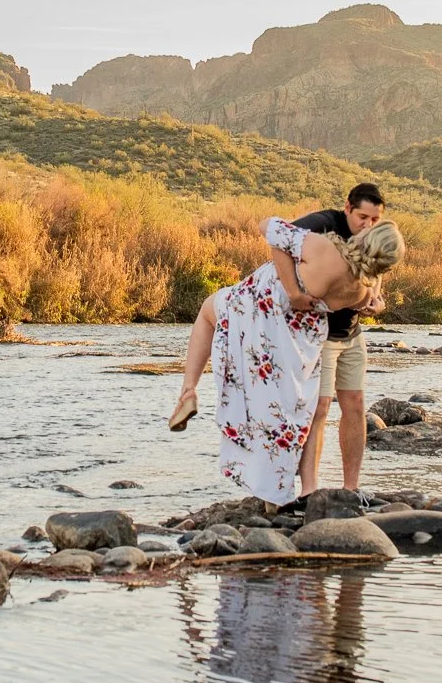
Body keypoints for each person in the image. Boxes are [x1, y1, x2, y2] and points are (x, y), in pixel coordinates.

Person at [167, 215, 404, 507]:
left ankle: (188, 392)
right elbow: (363, 302)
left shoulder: (323, 249)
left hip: (263, 311)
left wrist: (292, 289)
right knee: (281, 412)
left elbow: (267, 226)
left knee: (207, 313)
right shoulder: (361, 290)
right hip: (298, 339)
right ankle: (274, 492)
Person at [288, 183, 387, 496]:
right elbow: (282, 239)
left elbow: (376, 287)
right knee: (319, 409)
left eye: (374, 219)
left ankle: (351, 487)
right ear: (348, 208)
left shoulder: (376, 241)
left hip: (352, 333)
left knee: (356, 405)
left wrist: (377, 304)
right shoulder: (323, 223)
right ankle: (309, 490)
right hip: (320, 335)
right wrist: (294, 293)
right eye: (362, 217)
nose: (367, 225)